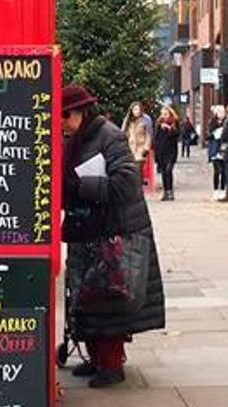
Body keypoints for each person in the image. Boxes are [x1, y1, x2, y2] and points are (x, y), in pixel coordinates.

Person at [62, 84, 165, 388]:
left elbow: (126, 183)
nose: (61, 122)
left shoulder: (109, 135)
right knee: (87, 297)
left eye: (65, 116)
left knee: (109, 299)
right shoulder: (76, 138)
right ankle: (95, 359)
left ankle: (110, 363)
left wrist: (80, 187)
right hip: (90, 230)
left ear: (81, 112)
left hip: (116, 231)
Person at [122, 102, 152, 186]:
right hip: (130, 149)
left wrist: (146, 148)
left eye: (138, 109)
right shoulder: (127, 121)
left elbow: (148, 135)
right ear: (131, 110)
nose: (137, 111)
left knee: (138, 170)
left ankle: (138, 191)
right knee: (131, 172)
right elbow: (123, 134)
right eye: (135, 109)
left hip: (140, 149)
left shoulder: (145, 121)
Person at [154, 106, 180, 201]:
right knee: (164, 171)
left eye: (166, 114)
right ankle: (165, 192)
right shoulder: (158, 124)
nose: (164, 116)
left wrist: (169, 128)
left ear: (170, 114)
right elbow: (156, 138)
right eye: (162, 114)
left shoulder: (174, 122)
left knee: (169, 169)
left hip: (171, 151)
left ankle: (170, 191)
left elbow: (177, 135)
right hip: (161, 151)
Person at [206, 105, 226, 201]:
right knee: (217, 171)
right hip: (214, 149)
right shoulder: (212, 122)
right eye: (219, 112)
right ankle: (215, 190)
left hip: (224, 149)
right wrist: (214, 133)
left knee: (224, 171)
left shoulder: (227, 122)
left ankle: (223, 190)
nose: (221, 114)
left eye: (223, 112)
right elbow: (208, 135)